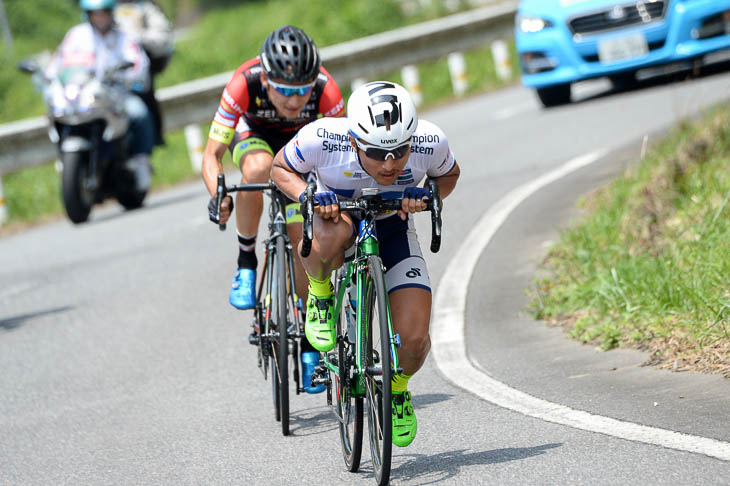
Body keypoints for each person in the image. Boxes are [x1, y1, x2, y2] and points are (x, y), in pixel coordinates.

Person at [271, 81, 461, 447]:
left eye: (400, 151)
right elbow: (280, 168)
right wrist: (308, 195)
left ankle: (396, 387)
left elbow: (448, 175)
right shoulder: (323, 138)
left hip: (392, 230)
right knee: (325, 236)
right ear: (355, 141)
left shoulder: (429, 140)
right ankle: (322, 293)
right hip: (338, 219)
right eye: (376, 153)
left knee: (416, 339)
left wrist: (429, 194)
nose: (390, 164)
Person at [202, 25, 345, 393]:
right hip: (256, 137)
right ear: (265, 79)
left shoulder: (327, 91)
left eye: (301, 90)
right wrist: (219, 195)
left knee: (305, 247)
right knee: (256, 170)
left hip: (303, 148)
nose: (294, 100)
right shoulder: (243, 83)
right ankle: (246, 262)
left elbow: (338, 161)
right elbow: (212, 155)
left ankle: (311, 345)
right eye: (283, 90)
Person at [48, 0, 155, 191]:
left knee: (139, 112)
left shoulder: (123, 37)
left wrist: (128, 76)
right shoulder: (76, 36)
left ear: (110, 13)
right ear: (88, 15)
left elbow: (139, 64)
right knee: (59, 113)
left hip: (116, 93)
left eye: (103, 12)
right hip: (84, 94)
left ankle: (141, 163)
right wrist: (50, 77)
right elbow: (58, 62)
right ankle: (68, 160)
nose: (99, 17)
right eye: (95, 13)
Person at [113, 0, 174, 145]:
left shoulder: (145, 8)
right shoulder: (102, 8)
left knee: (143, 109)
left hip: (136, 72)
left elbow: (162, 38)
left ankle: (146, 147)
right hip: (108, 77)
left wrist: (137, 37)